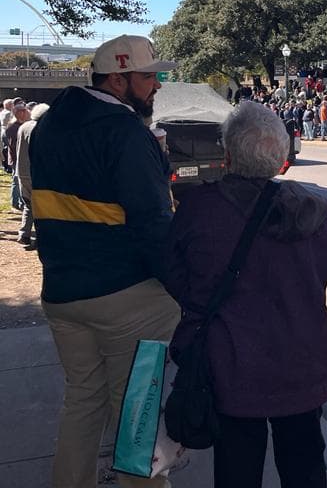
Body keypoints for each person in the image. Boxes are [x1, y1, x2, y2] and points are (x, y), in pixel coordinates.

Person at [29, 35, 180, 488]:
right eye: (148, 76)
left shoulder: (48, 126)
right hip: (129, 297)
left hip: (62, 291)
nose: (157, 85)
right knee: (137, 411)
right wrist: (182, 284)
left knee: (82, 402)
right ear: (118, 78)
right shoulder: (125, 131)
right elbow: (155, 222)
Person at [166, 102, 327, 487]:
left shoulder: (200, 208)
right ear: (281, 158)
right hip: (304, 360)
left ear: (227, 156)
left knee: (237, 468)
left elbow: (178, 278)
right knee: (306, 463)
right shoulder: (315, 209)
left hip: (233, 364)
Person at [14, 103, 48, 249]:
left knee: (29, 204)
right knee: (42, 207)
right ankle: (39, 239)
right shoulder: (42, 128)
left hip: (22, 172)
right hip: (36, 173)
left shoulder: (24, 127)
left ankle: (24, 234)